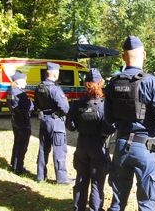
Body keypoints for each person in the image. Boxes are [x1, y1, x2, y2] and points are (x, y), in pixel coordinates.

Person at [104, 36, 155, 211]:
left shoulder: (113, 82)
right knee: (147, 204)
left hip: (121, 146)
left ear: (122, 57)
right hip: (145, 148)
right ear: (144, 54)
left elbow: (108, 119)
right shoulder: (151, 82)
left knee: (118, 202)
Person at [66, 68, 116, 211]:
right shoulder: (104, 105)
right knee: (97, 182)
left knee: (81, 178)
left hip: (82, 145)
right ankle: (95, 208)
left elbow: (70, 126)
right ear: (101, 83)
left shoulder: (77, 104)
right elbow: (109, 129)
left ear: (85, 84)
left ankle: (78, 208)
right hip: (99, 146)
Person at [34, 62, 72, 184]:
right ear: (55, 74)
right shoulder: (54, 88)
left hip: (44, 120)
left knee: (43, 149)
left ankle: (40, 176)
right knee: (59, 150)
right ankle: (61, 179)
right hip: (55, 122)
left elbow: (37, 104)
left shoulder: (39, 86)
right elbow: (65, 108)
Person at [7, 71, 34, 175]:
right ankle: (18, 168)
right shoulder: (20, 94)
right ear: (18, 82)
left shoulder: (11, 92)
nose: (26, 83)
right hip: (23, 122)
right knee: (22, 145)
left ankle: (14, 163)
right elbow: (30, 106)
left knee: (17, 143)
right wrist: (30, 102)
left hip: (15, 121)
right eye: (25, 81)